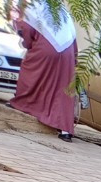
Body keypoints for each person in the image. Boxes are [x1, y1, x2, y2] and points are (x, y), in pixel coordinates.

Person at [10, 2, 78, 142]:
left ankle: (24, 103)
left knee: (30, 71)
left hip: (46, 48)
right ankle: (65, 131)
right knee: (64, 89)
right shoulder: (61, 9)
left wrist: (26, 44)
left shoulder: (30, 6)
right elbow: (73, 37)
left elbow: (26, 32)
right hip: (68, 51)